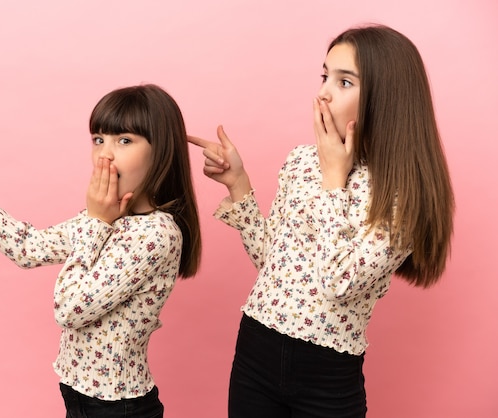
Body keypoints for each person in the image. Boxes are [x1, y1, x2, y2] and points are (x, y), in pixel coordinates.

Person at [188, 24, 454, 418]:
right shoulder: (301, 162)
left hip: (328, 375)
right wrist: (238, 183)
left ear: (387, 96)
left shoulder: (402, 195)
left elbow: (339, 282)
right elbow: (273, 264)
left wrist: (334, 180)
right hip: (255, 351)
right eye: (325, 76)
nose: (324, 91)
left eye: (344, 81)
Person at [0, 84, 202, 418]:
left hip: (117, 407)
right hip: (80, 397)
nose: (105, 154)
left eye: (125, 141)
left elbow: (70, 309)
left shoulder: (156, 233)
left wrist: (96, 222)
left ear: (161, 150)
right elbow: (29, 248)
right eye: (98, 139)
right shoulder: (107, 216)